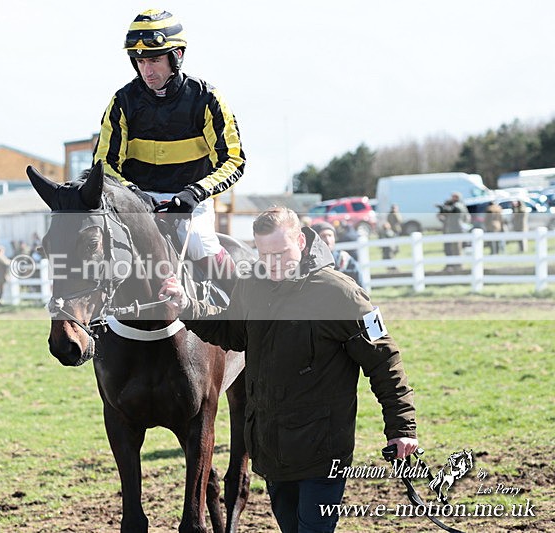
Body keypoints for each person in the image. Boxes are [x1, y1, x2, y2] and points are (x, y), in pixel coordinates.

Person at [159, 206, 417, 532]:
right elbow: (230, 332)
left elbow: (384, 361)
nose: (273, 264)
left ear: (301, 240)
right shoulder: (252, 283)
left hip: (323, 452)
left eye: (281, 253)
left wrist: (402, 429)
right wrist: (188, 307)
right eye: (265, 255)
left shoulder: (339, 293)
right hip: (270, 450)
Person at [93, 9, 245, 295]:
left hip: (190, 201)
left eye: (154, 60)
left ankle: (248, 312)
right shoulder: (122, 102)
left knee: (200, 241)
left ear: (176, 56)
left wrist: (194, 193)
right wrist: (134, 194)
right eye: (139, 61)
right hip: (137, 203)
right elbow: (104, 164)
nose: (146, 71)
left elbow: (233, 160)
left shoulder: (207, 99)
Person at [312, 221, 362, 286]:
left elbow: (360, 287)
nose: (328, 240)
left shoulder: (344, 260)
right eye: (323, 236)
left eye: (330, 235)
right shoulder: (311, 263)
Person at [437, 191, 470, 271]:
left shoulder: (457, 206)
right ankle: (454, 265)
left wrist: (441, 208)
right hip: (456, 229)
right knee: (453, 248)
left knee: (456, 249)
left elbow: (450, 211)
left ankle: (458, 266)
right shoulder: (462, 206)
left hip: (456, 230)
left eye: (453, 197)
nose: (451, 198)